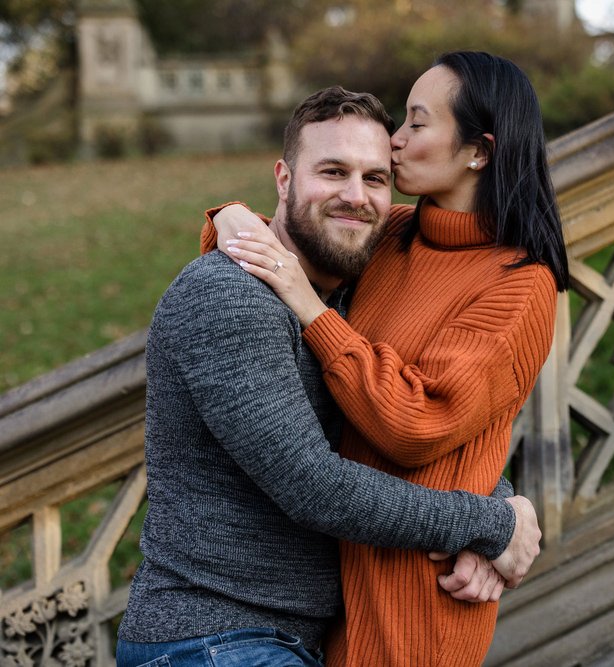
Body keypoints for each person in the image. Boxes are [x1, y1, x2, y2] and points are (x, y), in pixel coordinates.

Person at [115, 84, 542, 667]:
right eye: (333, 171)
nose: (355, 196)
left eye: (373, 178)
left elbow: (393, 418)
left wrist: (504, 502)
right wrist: (490, 524)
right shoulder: (230, 298)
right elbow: (315, 487)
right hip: (210, 637)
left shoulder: (346, 297)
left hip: (300, 639)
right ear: (284, 179)